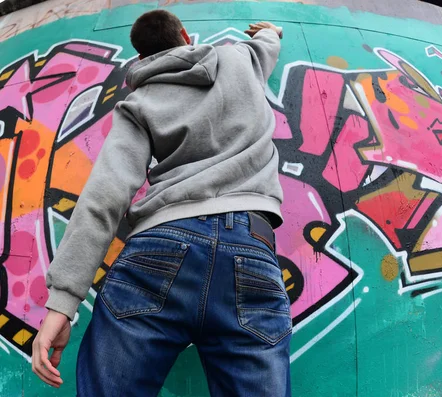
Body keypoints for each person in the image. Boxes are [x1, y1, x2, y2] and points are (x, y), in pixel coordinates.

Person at [31, 10, 290, 397]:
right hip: (250, 246)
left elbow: (105, 196)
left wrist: (62, 302)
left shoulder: (139, 102)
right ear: (185, 35)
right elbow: (268, 44)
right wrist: (272, 31)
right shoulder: (241, 59)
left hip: (160, 247)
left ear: (140, 57)